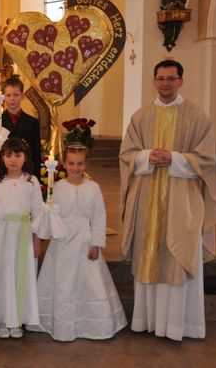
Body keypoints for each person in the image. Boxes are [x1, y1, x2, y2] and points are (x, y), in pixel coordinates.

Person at [119, 59, 216, 341]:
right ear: (154, 81)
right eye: (161, 78)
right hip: (147, 200)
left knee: (178, 256)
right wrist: (146, 157)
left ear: (181, 81)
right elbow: (127, 154)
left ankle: (179, 325)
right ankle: (147, 321)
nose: (165, 83)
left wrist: (175, 158)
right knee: (148, 253)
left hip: (183, 201)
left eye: (171, 78)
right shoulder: (141, 116)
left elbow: (208, 159)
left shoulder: (197, 116)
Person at [33, 144, 127, 341]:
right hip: (62, 242)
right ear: (64, 164)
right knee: (63, 283)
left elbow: (99, 216)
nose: (75, 168)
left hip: (84, 241)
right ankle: (61, 324)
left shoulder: (93, 188)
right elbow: (52, 215)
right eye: (71, 163)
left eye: (80, 164)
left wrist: (96, 243)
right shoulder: (57, 187)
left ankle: (88, 323)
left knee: (88, 281)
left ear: (86, 164)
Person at [0, 138, 44, 339]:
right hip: (0, 234)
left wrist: (37, 239)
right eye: (8, 155)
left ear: (25, 158)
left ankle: (17, 319)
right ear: (1, 158)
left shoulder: (32, 181)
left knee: (20, 274)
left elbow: (38, 211)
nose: (13, 160)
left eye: (18, 155)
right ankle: (2, 319)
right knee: (2, 274)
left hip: (23, 233)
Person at [0, 77, 42, 179]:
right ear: (3, 97)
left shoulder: (32, 123)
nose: (12, 99)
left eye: (16, 95)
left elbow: (36, 153)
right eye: (8, 95)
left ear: (22, 96)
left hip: (26, 172)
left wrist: (36, 177)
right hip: (3, 173)